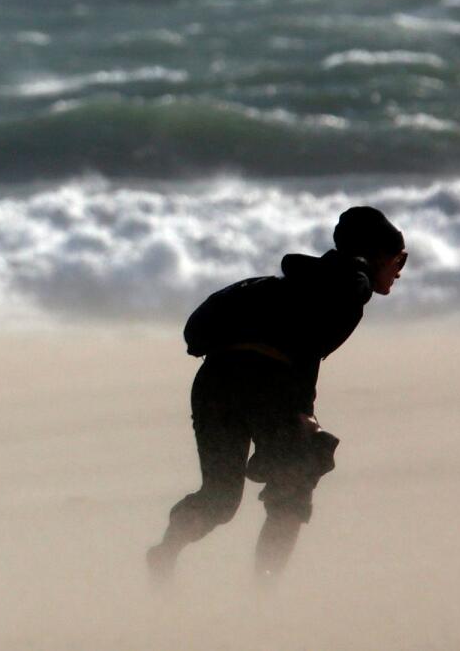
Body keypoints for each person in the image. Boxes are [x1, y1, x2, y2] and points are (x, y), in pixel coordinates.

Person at [147, 206, 407, 584]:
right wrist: (303, 412)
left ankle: (165, 553)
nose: (400, 270)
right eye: (400, 259)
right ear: (378, 256)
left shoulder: (295, 280)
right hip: (266, 386)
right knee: (294, 485)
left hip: (214, 382)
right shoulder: (355, 284)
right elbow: (308, 342)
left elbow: (299, 337)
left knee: (219, 497)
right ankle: (263, 591)